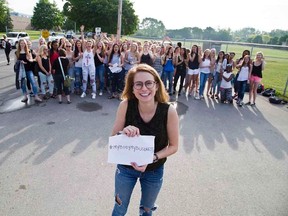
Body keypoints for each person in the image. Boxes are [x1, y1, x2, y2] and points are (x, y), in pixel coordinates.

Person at [111, 64, 179, 216]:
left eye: (149, 83)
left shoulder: (168, 111)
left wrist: (152, 158)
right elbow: (114, 138)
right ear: (132, 88)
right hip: (125, 169)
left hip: (154, 171)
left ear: (156, 85)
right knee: (119, 208)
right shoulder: (125, 105)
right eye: (138, 84)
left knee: (147, 210)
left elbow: (174, 146)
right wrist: (123, 132)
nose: (144, 88)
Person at [15, 39, 42, 103]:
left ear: (25, 44)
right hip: (21, 71)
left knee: (33, 82)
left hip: (28, 69)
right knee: (23, 84)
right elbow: (15, 62)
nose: (22, 44)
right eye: (21, 43)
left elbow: (32, 60)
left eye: (24, 43)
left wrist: (30, 60)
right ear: (19, 44)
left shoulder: (28, 51)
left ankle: (36, 96)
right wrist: (20, 61)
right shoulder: (16, 52)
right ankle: (25, 96)